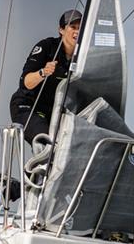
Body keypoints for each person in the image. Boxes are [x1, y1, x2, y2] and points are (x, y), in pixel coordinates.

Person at [10, 9, 81, 144]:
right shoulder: (47, 47)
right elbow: (25, 83)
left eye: (80, 28)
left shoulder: (83, 57)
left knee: (73, 143)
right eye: (73, 27)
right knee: (45, 140)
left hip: (54, 112)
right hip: (28, 106)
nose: (77, 31)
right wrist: (43, 72)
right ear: (61, 30)